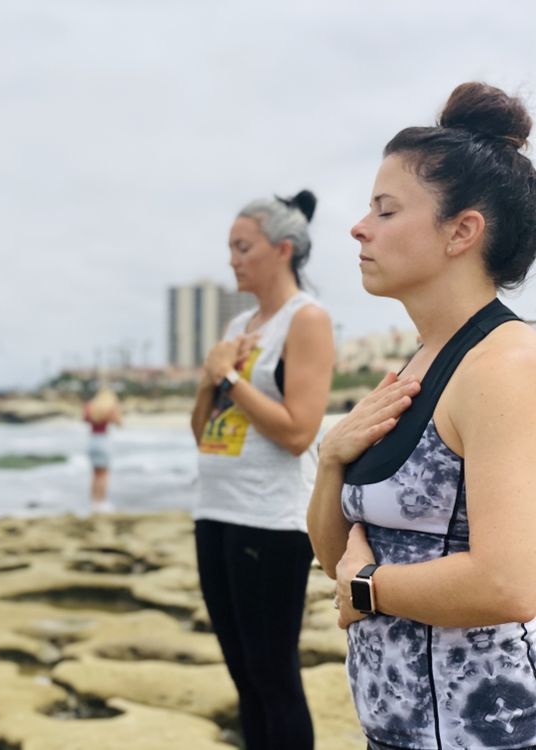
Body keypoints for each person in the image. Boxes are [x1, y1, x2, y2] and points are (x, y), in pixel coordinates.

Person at [307, 82, 536, 750]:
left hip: (484, 733)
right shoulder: (417, 364)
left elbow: (509, 582)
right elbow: (335, 559)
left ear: (463, 231)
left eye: (385, 209)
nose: (359, 226)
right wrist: (330, 462)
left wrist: (369, 589)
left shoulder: (504, 365)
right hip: (397, 728)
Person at [190, 190, 335, 750]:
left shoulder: (308, 320)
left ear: (282, 249)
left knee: (273, 675)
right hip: (215, 511)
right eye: (229, 246)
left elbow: (299, 431)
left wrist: (229, 380)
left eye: (241, 246)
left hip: (270, 520)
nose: (231, 258)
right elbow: (201, 430)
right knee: (242, 677)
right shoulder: (239, 326)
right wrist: (210, 379)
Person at [83, 384, 123, 512]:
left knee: (95, 474)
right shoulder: (110, 408)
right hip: (103, 441)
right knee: (103, 475)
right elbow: (119, 423)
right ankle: (102, 502)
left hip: (91, 440)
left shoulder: (90, 406)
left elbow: (84, 419)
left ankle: (94, 502)